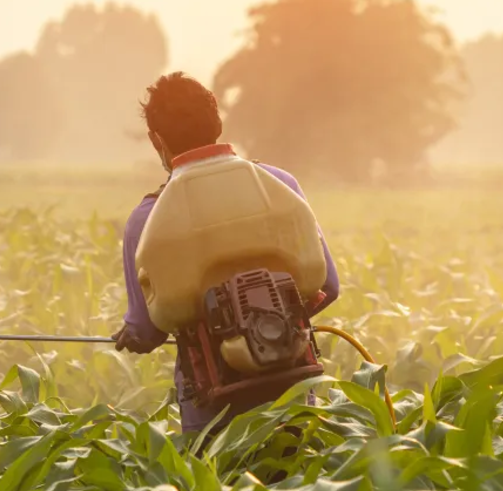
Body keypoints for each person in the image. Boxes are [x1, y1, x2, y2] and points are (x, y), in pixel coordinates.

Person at [112, 72, 341, 437]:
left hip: (212, 410)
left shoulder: (147, 218)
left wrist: (132, 335)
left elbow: (147, 328)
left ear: (157, 141)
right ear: (216, 124)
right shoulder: (281, 184)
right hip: (292, 391)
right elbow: (327, 285)